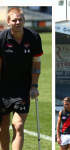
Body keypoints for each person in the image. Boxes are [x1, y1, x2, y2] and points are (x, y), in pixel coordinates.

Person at [0, 7, 43, 150]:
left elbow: (36, 63)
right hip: (3, 88)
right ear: (8, 22)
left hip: (23, 88)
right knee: (3, 128)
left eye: (20, 19)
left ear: (24, 21)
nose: (18, 22)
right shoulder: (2, 38)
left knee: (18, 125)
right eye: (14, 20)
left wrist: (34, 86)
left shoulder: (34, 37)